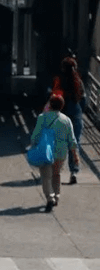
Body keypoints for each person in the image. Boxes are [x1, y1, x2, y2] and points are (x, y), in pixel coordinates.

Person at [30, 94, 78, 213]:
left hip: (46, 152)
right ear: (62, 106)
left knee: (46, 177)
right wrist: (75, 155)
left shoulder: (42, 118)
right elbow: (72, 140)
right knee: (56, 175)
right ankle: (56, 196)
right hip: (61, 153)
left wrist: (34, 145)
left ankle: (49, 198)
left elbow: (35, 136)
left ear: (50, 104)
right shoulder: (66, 120)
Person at [52, 55, 85, 185]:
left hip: (62, 115)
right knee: (74, 144)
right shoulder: (79, 82)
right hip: (76, 114)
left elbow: (54, 99)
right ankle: (74, 172)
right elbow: (84, 101)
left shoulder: (59, 81)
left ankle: (56, 171)